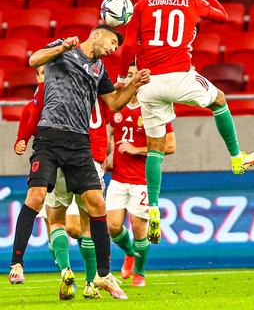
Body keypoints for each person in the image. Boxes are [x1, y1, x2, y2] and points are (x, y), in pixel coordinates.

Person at [117, 0, 254, 244]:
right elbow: (223, 17)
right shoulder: (192, 1)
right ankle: (235, 158)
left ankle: (153, 207)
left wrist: (124, 78)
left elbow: (129, 46)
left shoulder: (142, 5)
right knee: (219, 100)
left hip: (149, 83)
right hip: (181, 77)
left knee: (155, 148)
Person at [9, 24, 150, 300]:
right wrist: (61, 47)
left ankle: (104, 274)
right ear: (97, 34)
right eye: (111, 41)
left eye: (115, 46)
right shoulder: (64, 48)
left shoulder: (100, 70)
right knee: (36, 196)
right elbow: (33, 60)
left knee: (97, 203)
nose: (112, 49)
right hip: (50, 137)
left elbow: (114, 104)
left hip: (79, 142)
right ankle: (17, 263)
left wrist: (134, 84)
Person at [14, 72, 109, 300]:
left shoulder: (39, 100)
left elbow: (30, 122)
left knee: (56, 222)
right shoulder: (80, 92)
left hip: (56, 159)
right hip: (84, 160)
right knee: (85, 225)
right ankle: (90, 282)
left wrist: (23, 139)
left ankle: (66, 271)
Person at [106, 62, 176, 287]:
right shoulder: (117, 107)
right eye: (128, 75)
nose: (132, 78)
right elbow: (110, 135)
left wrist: (137, 150)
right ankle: (129, 253)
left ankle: (140, 273)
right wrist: (108, 156)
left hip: (142, 180)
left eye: (136, 75)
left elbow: (171, 146)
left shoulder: (155, 108)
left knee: (138, 228)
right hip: (118, 177)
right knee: (113, 227)